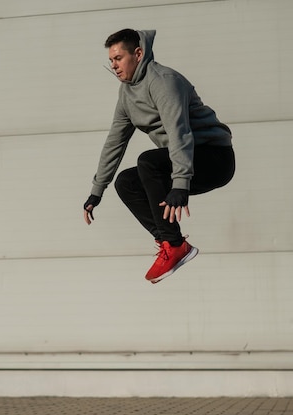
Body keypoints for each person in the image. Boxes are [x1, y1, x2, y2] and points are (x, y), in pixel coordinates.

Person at [83, 29, 235, 284]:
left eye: (119, 58)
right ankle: (170, 242)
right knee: (126, 182)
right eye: (111, 60)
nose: (114, 66)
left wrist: (180, 183)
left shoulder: (163, 81)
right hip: (185, 160)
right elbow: (115, 142)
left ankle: (174, 244)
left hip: (214, 158)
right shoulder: (127, 94)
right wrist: (97, 191)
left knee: (148, 162)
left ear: (138, 54)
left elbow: (180, 133)